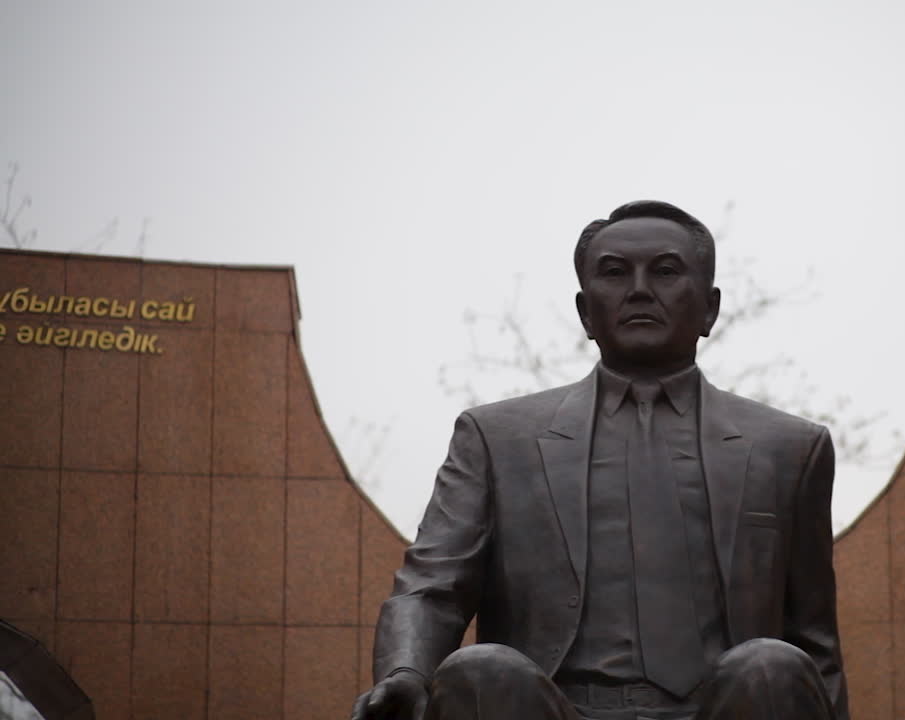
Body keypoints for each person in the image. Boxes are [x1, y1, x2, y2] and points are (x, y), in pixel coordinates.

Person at [352, 201, 848, 720]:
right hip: (549, 709)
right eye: (614, 273)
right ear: (586, 312)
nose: (638, 289)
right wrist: (404, 672)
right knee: (480, 670)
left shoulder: (789, 448)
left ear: (710, 308)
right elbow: (432, 586)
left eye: (666, 271)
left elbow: (815, 644)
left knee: (773, 664)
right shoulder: (496, 440)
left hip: (727, 709)